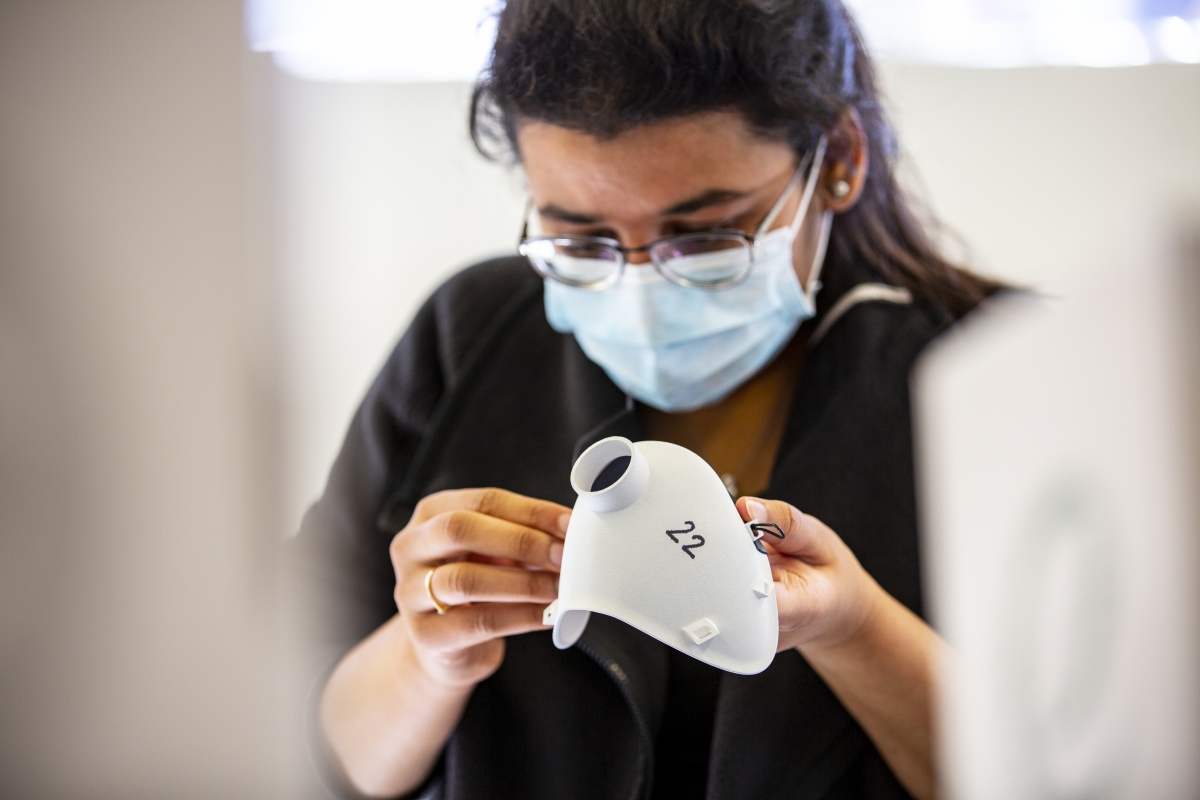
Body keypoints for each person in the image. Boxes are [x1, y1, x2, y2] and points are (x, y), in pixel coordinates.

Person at [291, 1, 1001, 798]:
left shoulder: (1003, 368)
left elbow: (1088, 764)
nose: (638, 290)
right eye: (582, 240)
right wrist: (425, 655)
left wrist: (854, 626)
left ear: (837, 158)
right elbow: (300, 744)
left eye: (703, 238)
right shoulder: (467, 339)